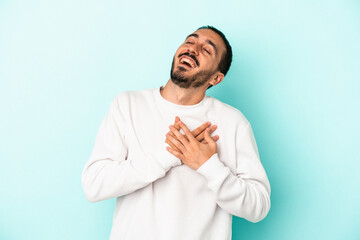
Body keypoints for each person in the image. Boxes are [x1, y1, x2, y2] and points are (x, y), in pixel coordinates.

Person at [81, 25, 271, 240]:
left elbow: (258, 207)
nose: (193, 49)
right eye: (190, 41)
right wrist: (168, 156)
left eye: (207, 50)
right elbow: (94, 185)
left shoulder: (233, 123)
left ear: (216, 79)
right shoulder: (128, 105)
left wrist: (208, 165)